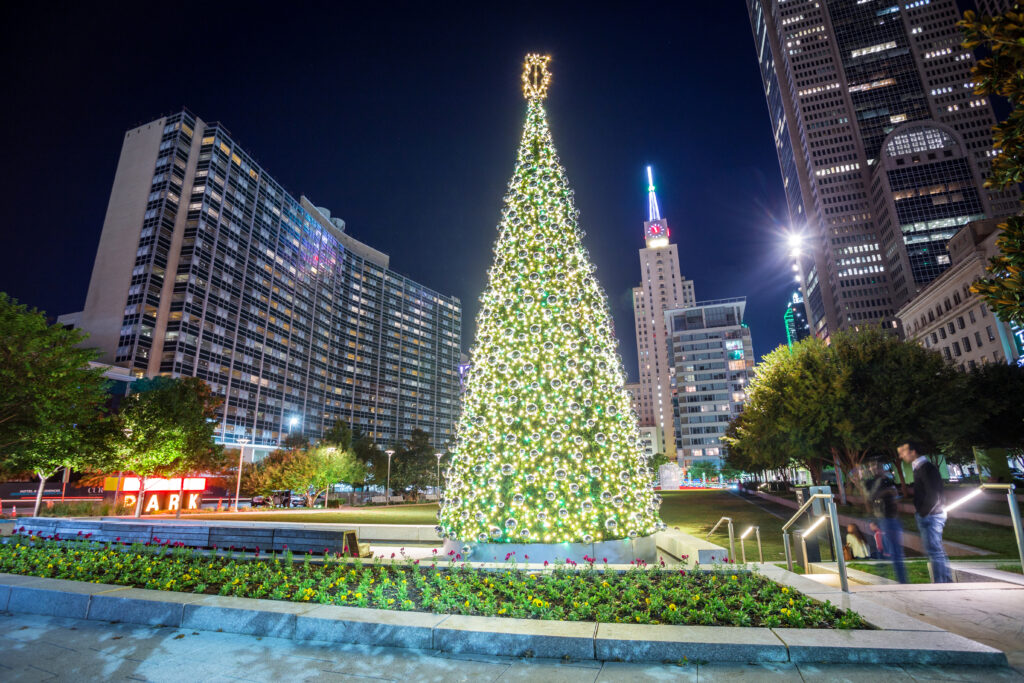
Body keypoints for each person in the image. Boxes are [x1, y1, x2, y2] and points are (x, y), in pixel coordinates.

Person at [899, 440, 951, 583]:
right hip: (929, 514)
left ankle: (942, 583)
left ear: (913, 452)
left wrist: (924, 512)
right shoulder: (920, 468)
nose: (901, 456)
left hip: (932, 516)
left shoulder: (926, 468)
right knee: (935, 550)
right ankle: (944, 580)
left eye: (903, 452)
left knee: (935, 551)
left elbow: (933, 494)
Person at [864, 459, 907, 583]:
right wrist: (872, 520)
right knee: (881, 551)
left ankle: (902, 581)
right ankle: (882, 580)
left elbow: (895, 495)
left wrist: (893, 495)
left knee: (896, 551)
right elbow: (870, 498)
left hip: (892, 517)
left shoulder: (887, 480)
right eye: (872, 467)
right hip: (880, 518)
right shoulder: (871, 482)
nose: (875, 469)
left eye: (878, 467)